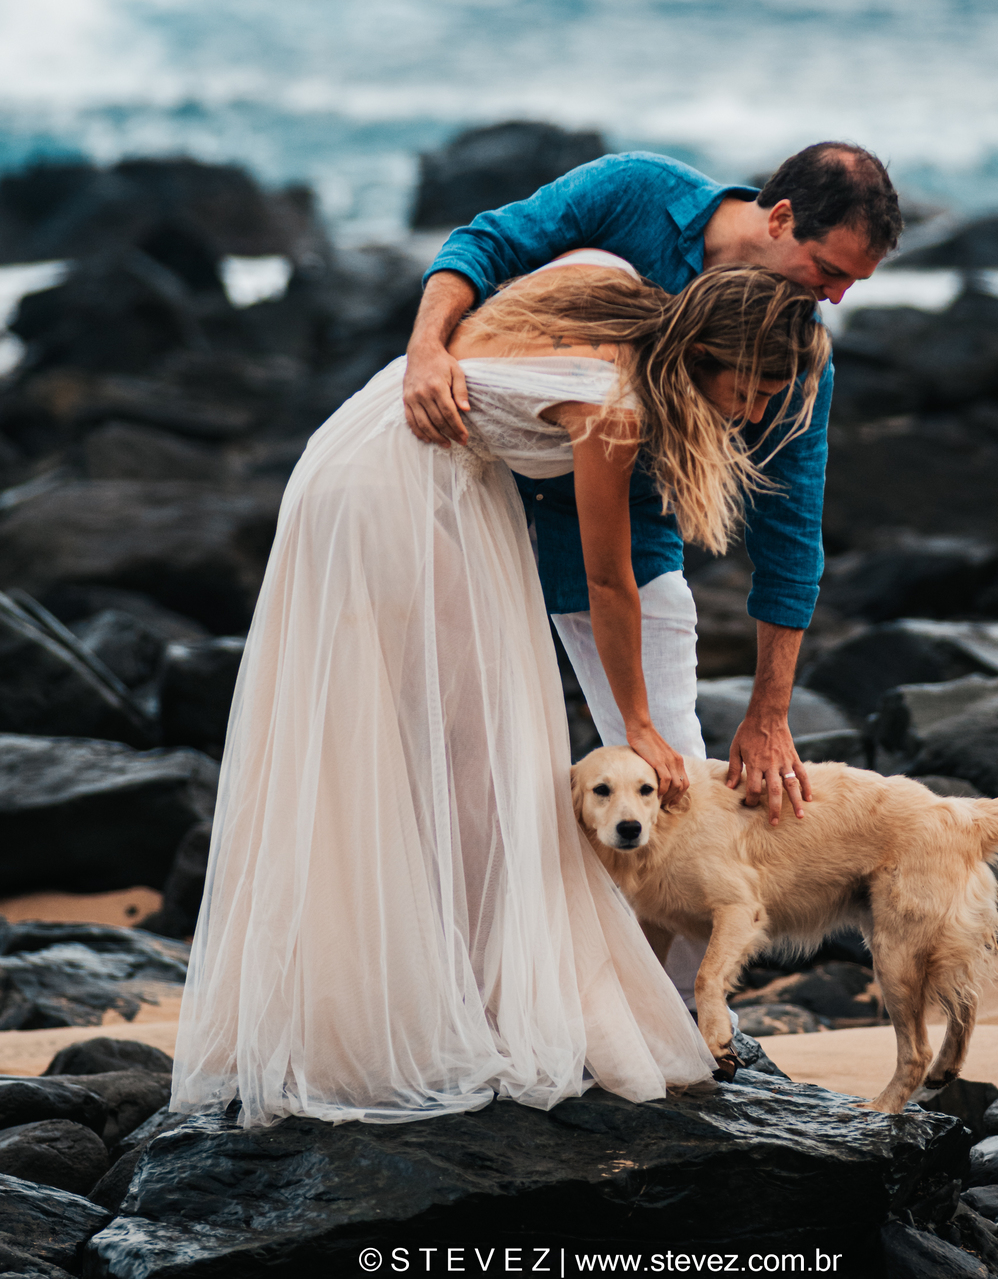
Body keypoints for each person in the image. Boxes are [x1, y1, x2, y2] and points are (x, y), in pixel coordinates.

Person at [171, 256, 830, 1128]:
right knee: (480, 765)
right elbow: (608, 581)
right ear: (707, 352)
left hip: (374, 459)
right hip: (400, 496)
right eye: (750, 389)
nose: (751, 413)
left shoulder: (607, 294)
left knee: (441, 756)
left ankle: (446, 986)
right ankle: (462, 1005)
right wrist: (638, 722)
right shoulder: (615, 407)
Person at [403, 142, 902, 827]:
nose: (836, 297)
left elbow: (790, 526)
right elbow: (488, 243)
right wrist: (426, 350)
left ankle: (680, 936)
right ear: (781, 218)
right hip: (475, 489)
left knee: (678, 792)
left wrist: (769, 712)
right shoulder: (635, 192)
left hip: (630, 535)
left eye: (854, 285)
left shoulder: (797, 352)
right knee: (465, 770)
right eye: (829, 270)